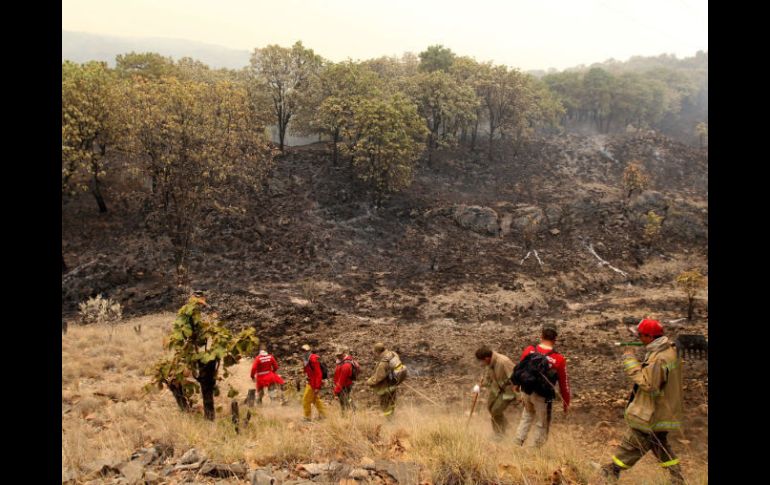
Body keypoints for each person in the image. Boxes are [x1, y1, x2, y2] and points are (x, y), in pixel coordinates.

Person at [601, 318, 684, 484]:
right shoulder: (668, 350)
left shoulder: (659, 358)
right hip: (664, 411)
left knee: (633, 441)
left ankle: (612, 470)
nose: (638, 339)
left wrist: (630, 360)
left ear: (649, 336)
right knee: (660, 445)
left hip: (653, 412)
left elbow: (649, 385)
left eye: (640, 335)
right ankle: (677, 477)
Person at [513, 322, 571, 447]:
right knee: (542, 423)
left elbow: (519, 369)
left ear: (541, 335)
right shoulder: (559, 359)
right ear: (555, 338)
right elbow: (564, 384)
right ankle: (535, 452)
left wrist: (517, 387)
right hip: (542, 397)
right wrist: (566, 403)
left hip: (526, 391)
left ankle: (517, 443)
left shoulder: (529, 350)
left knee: (527, 415)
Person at [474, 346, 517, 435]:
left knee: (496, 411)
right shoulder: (489, 362)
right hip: (497, 388)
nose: (482, 363)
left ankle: (499, 433)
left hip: (509, 391)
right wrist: (480, 385)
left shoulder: (503, 361)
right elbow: (489, 378)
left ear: (486, 358)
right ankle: (504, 425)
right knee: (490, 407)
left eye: (482, 361)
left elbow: (515, 377)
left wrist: (519, 395)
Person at [366, 342, 407, 418]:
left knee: (385, 406)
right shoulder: (393, 354)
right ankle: (392, 416)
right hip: (394, 384)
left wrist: (368, 382)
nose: (374, 353)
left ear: (378, 351)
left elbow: (378, 378)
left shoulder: (383, 363)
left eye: (375, 352)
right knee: (392, 403)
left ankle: (389, 421)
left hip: (385, 388)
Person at [301, 344, 327, 421]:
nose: (303, 352)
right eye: (302, 350)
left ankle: (307, 417)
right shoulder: (307, 359)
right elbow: (308, 370)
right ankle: (323, 415)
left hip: (314, 383)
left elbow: (319, 374)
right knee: (315, 399)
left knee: (305, 400)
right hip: (311, 381)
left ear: (309, 351)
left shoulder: (313, 359)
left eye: (305, 351)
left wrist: (317, 387)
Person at [333, 348, 358, 413]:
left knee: (343, 401)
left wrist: (336, 391)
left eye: (339, 355)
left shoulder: (346, 365)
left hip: (344, 385)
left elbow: (342, 380)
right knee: (347, 398)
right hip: (345, 384)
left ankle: (345, 414)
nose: (337, 356)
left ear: (343, 354)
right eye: (337, 355)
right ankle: (353, 409)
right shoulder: (341, 362)